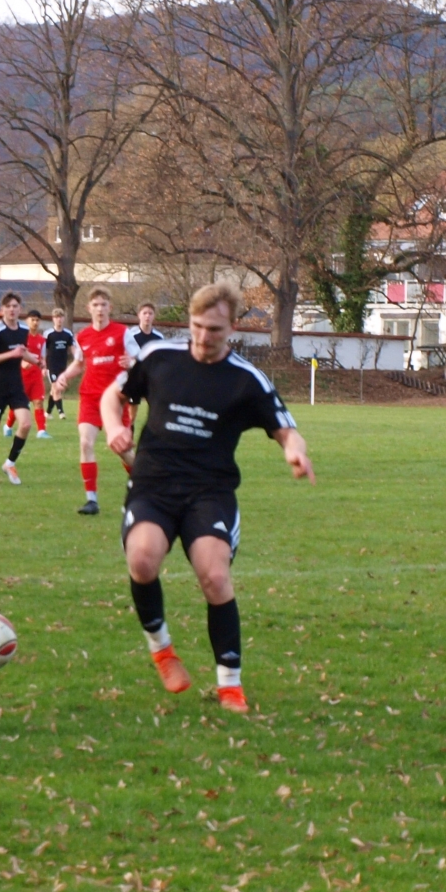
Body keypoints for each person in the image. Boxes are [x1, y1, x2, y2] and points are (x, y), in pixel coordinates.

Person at [104, 281, 314, 714]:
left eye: (214, 329)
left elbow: (286, 429)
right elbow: (114, 394)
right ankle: (162, 649)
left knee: (215, 577)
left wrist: (295, 452)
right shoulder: (159, 356)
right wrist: (113, 427)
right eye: (197, 326)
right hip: (153, 485)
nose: (203, 337)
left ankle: (230, 685)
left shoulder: (246, 380)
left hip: (209, 493)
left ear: (232, 327)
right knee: (142, 559)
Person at [71, 287, 135, 515]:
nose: (100, 309)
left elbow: (140, 360)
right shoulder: (82, 336)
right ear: (88, 308)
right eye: (96, 305)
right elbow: (79, 363)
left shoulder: (123, 333)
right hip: (89, 397)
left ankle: (145, 484)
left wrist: (132, 363)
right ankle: (92, 501)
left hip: (115, 400)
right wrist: (63, 378)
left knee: (122, 449)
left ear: (110, 308)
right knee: (85, 443)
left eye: (103, 305)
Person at [0, 293, 36, 485]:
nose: (12, 309)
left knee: (25, 424)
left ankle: (9, 464)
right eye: (8, 306)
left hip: (16, 385)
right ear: (2, 309)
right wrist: (11, 354)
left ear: (20, 309)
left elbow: (22, 352)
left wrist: (37, 361)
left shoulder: (24, 329)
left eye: (15, 306)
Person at [43, 306, 76, 424]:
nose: (59, 319)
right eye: (56, 317)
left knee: (55, 390)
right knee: (56, 388)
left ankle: (48, 412)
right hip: (51, 366)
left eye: (61, 317)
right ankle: (61, 412)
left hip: (63, 366)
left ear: (63, 318)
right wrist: (43, 365)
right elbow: (43, 350)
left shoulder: (67, 334)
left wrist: (77, 360)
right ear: (53, 319)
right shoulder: (48, 334)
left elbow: (73, 348)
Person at [25, 315, 52, 438]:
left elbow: (42, 357)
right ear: (27, 321)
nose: (35, 322)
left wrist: (44, 367)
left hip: (36, 376)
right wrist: (22, 363)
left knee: (39, 402)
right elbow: (17, 354)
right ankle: (8, 425)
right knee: (21, 405)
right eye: (33, 320)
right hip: (22, 376)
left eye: (37, 320)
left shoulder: (42, 340)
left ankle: (41, 431)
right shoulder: (22, 337)